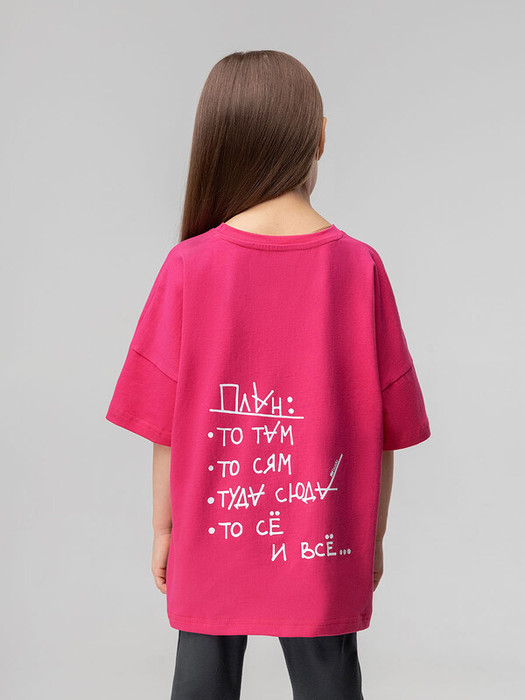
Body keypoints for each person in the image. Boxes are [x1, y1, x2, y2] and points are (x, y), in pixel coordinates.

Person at [105, 49, 431, 700]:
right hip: (322, 547)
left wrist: (165, 529)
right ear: (319, 137)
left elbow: (164, 425)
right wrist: (371, 536)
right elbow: (383, 432)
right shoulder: (359, 268)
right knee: (329, 683)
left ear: (219, 144)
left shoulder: (188, 267)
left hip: (210, 535)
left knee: (200, 683)